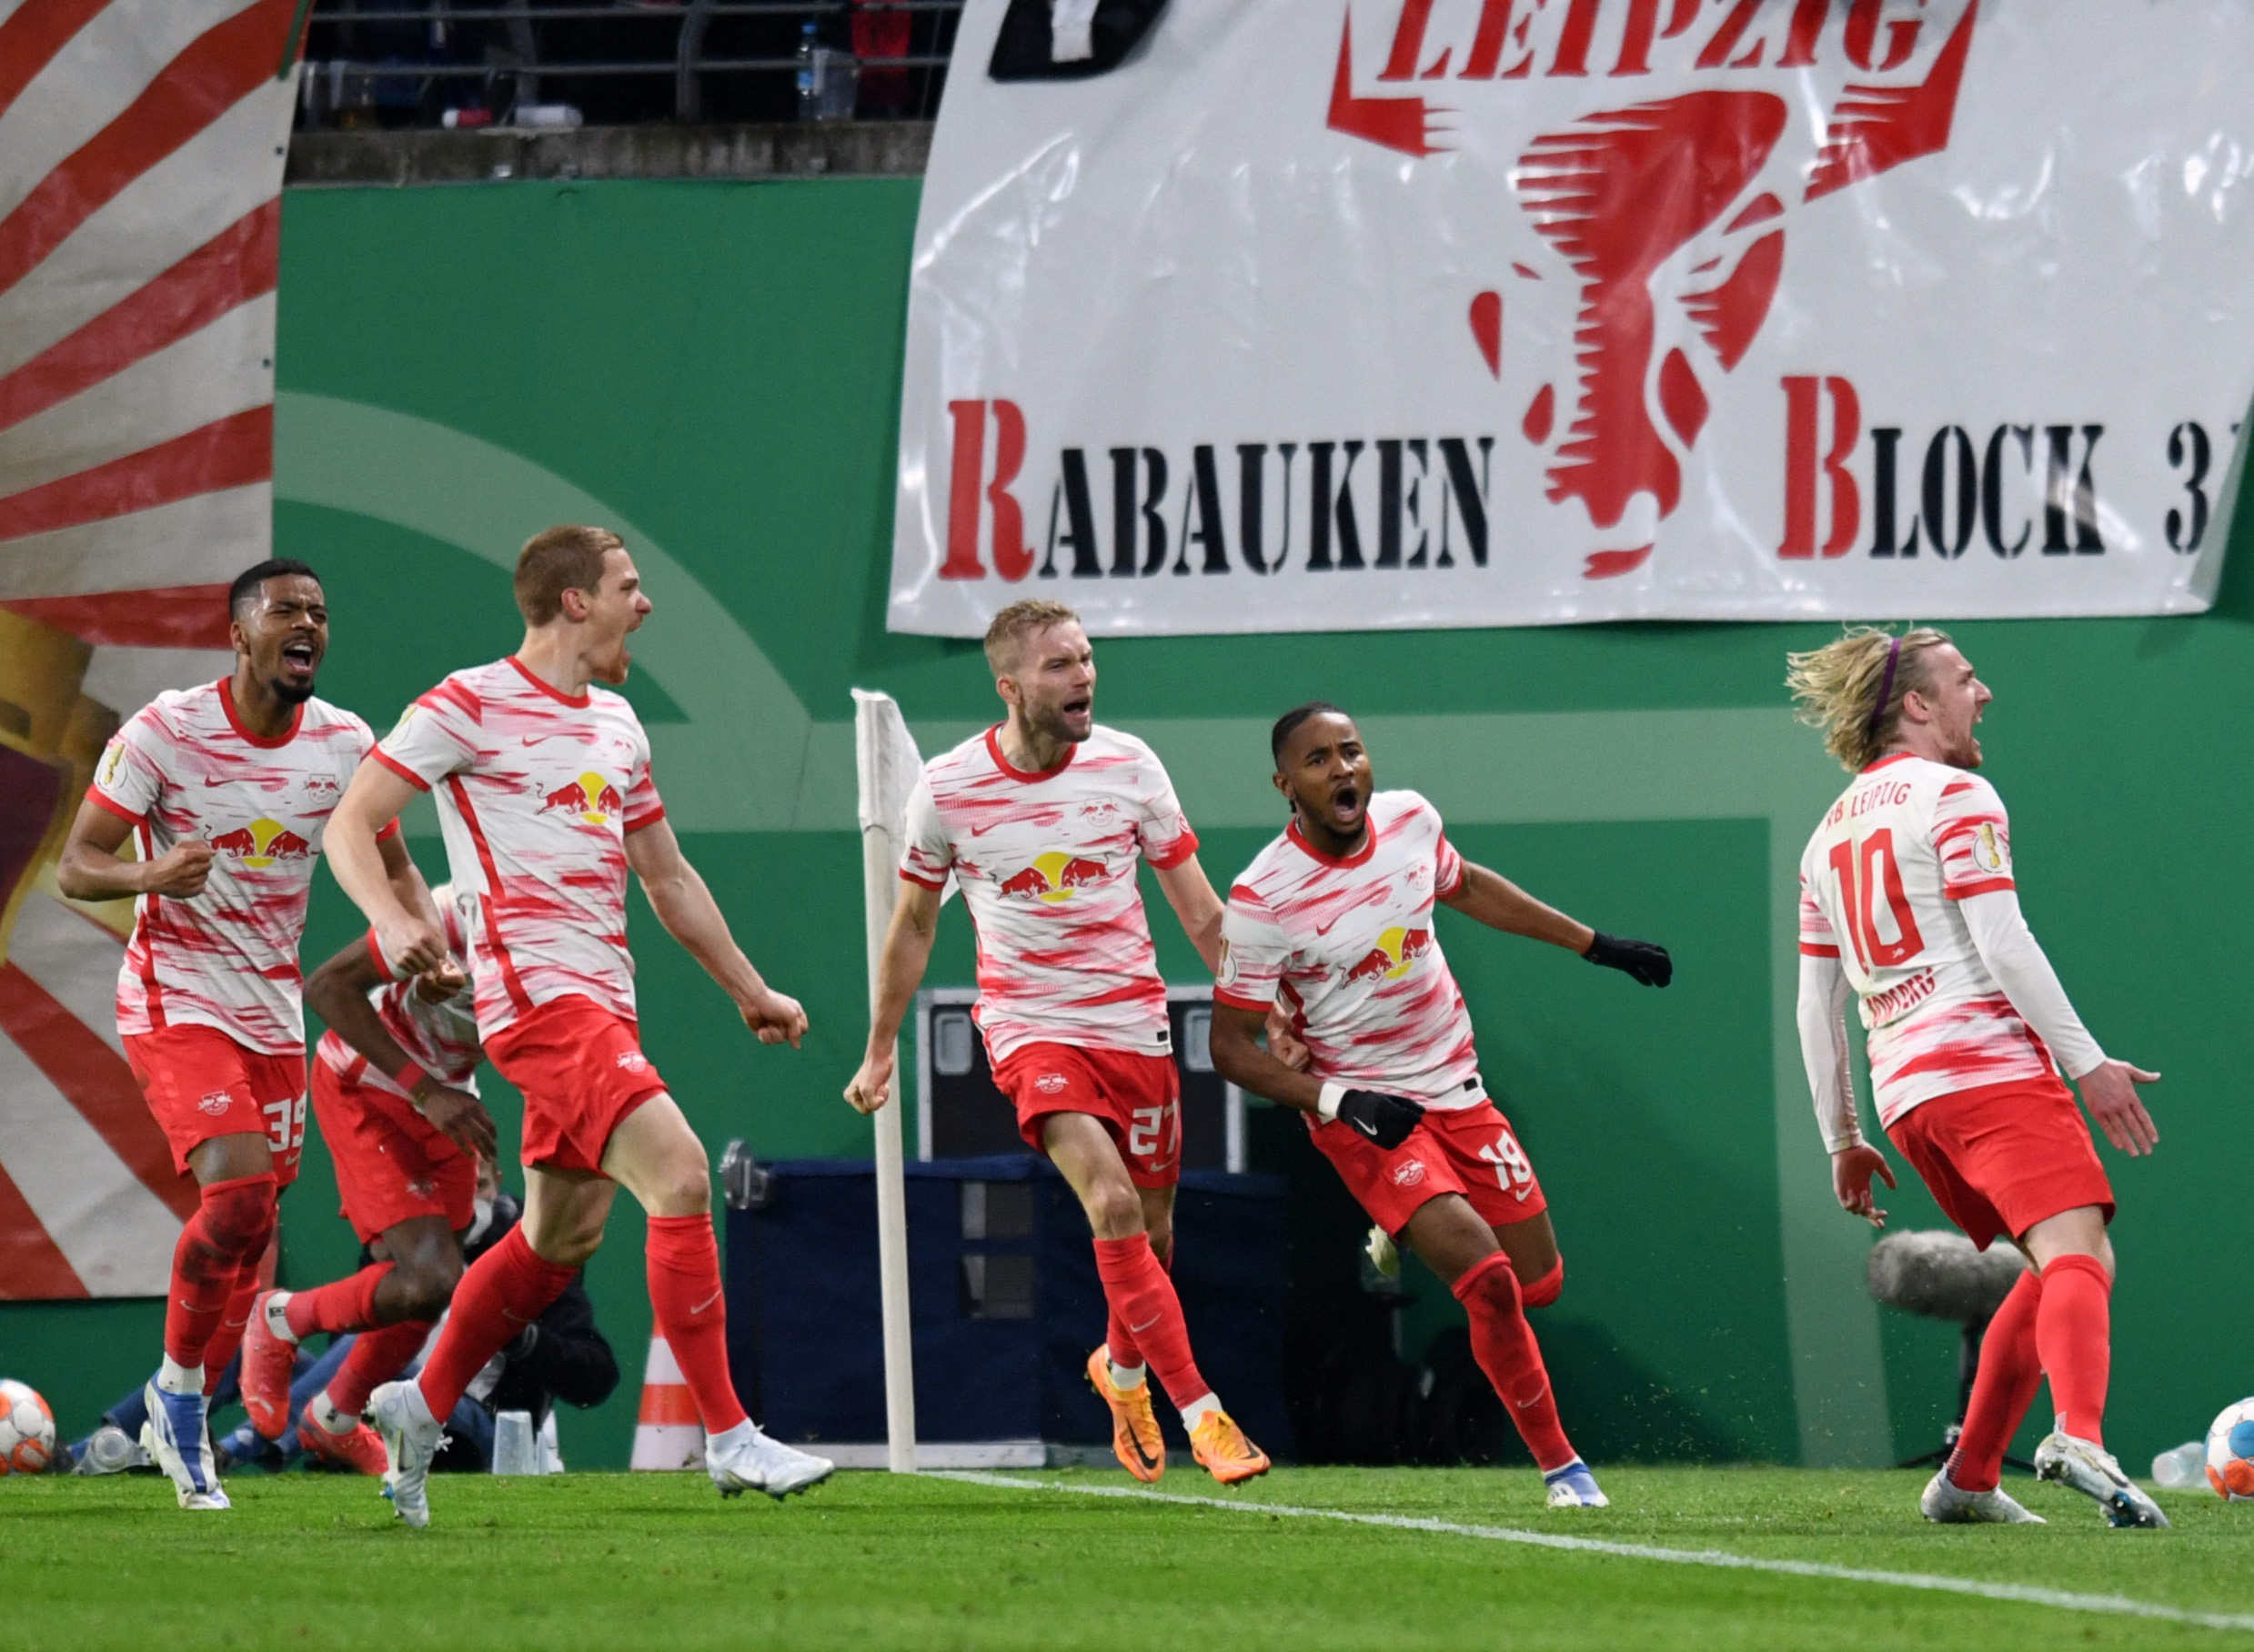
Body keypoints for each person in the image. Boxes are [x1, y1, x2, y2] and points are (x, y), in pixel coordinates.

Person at [321, 524, 829, 1527]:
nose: (646, 605)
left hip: (606, 996)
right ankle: (730, 1438)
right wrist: (392, 919)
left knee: (559, 1237)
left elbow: (668, 874)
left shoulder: (620, 726)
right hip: (536, 1002)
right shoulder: (466, 702)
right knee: (681, 1173)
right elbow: (351, 819)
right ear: (572, 602)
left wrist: (749, 988)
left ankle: (418, 1412)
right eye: (630, 587)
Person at [1204, 703, 1673, 1509]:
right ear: (1286, 786)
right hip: (1369, 1113)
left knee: (1538, 1283)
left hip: (1458, 1087)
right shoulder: (1263, 898)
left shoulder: (1412, 820)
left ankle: (1405, 1225)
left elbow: (1471, 887)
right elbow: (1230, 1048)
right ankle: (1566, 1472)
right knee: (1488, 1283)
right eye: (1318, 761)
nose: (1342, 769)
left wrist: (1597, 945)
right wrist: (1340, 1099)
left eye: (1351, 751)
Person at [847, 599, 1271, 1486]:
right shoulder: (952, 789)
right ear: (1009, 687)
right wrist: (881, 1044)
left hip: (1135, 1024)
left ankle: (1121, 1375)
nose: (1083, 675)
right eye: (1059, 665)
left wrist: (1268, 1009)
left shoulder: (1130, 765)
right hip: (1031, 1027)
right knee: (1111, 1207)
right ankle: (1204, 1411)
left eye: (1086, 657)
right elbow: (914, 927)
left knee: (1151, 1242)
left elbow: (1199, 909)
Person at [55, 559, 432, 1512]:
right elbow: (75, 865)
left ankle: (166, 1404)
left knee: (254, 1228)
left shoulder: (346, 743)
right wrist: (150, 878)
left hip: (269, 1012)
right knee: (235, 1197)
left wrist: (414, 933)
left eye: (320, 610)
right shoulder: (165, 732)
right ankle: (179, 1404)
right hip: (175, 997)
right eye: (285, 610)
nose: (308, 624)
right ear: (239, 633)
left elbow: (395, 867)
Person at [1787, 626, 2166, 1529]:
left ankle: (1967, 1477)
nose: (1983, 692)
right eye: (1964, 679)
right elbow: (2002, 942)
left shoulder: (1822, 840)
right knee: (2079, 1251)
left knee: (2048, 1272)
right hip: (1985, 1070)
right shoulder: (1956, 794)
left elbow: (1815, 1008)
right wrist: (2090, 1065)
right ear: (1917, 704)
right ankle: (2079, 1434)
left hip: (1909, 1099)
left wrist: (1842, 1137)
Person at [237, 885, 497, 1474]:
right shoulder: (453, 913)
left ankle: (332, 1419)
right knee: (431, 1277)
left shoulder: (561, 937)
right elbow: (326, 987)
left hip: (451, 1097)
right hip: (371, 1086)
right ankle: (280, 1317)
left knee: (431, 1290)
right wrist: (427, 1089)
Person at [216, 1161, 619, 1476]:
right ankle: (161, 1433)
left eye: (476, 1187)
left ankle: (250, 1445)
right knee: (254, 1346)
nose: (465, 1204)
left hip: (477, 1421)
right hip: (379, 1402)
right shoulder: (405, 1248)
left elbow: (597, 1375)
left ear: (497, 1182)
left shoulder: (529, 1262)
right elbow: (340, 1355)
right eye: (452, 1192)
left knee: (386, 1363)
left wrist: (519, 1337)